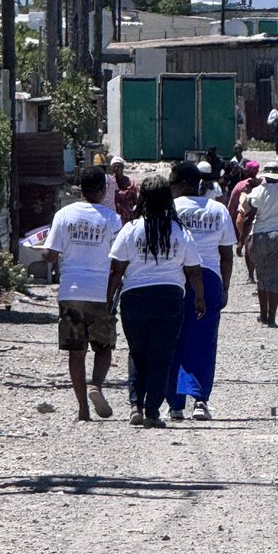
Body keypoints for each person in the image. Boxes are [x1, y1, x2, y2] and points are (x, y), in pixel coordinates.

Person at [107, 175, 206, 427]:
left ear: (142, 198)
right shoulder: (180, 231)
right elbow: (193, 270)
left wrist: (108, 301)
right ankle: (153, 412)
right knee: (162, 356)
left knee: (137, 353)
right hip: (170, 298)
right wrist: (200, 298)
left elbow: (117, 270)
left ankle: (135, 406)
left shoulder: (131, 229)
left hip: (135, 298)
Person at [43, 166, 122, 421]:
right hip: (101, 292)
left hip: (71, 291)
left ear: (80, 188)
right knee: (104, 348)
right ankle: (96, 385)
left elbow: (50, 254)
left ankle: (82, 409)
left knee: (76, 351)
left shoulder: (64, 214)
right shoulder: (112, 219)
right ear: (103, 190)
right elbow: (120, 258)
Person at [167, 162, 237, 421]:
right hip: (209, 278)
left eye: (173, 183)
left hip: (176, 277)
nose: (171, 188)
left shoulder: (172, 209)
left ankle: (174, 403)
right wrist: (226, 286)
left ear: (184, 184)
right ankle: (200, 401)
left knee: (174, 339)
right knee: (204, 341)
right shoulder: (218, 210)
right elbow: (226, 254)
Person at [240, 161, 278, 326]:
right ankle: (273, 318)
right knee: (277, 279)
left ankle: (263, 315)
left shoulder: (257, 191)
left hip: (260, 236)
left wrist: (241, 241)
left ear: (265, 176)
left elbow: (246, 213)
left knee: (262, 277)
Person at [111, 157, 139, 225]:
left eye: (118, 166)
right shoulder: (110, 183)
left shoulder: (131, 184)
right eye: (114, 167)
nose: (116, 169)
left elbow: (136, 202)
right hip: (113, 219)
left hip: (128, 219)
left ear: (123, 167)